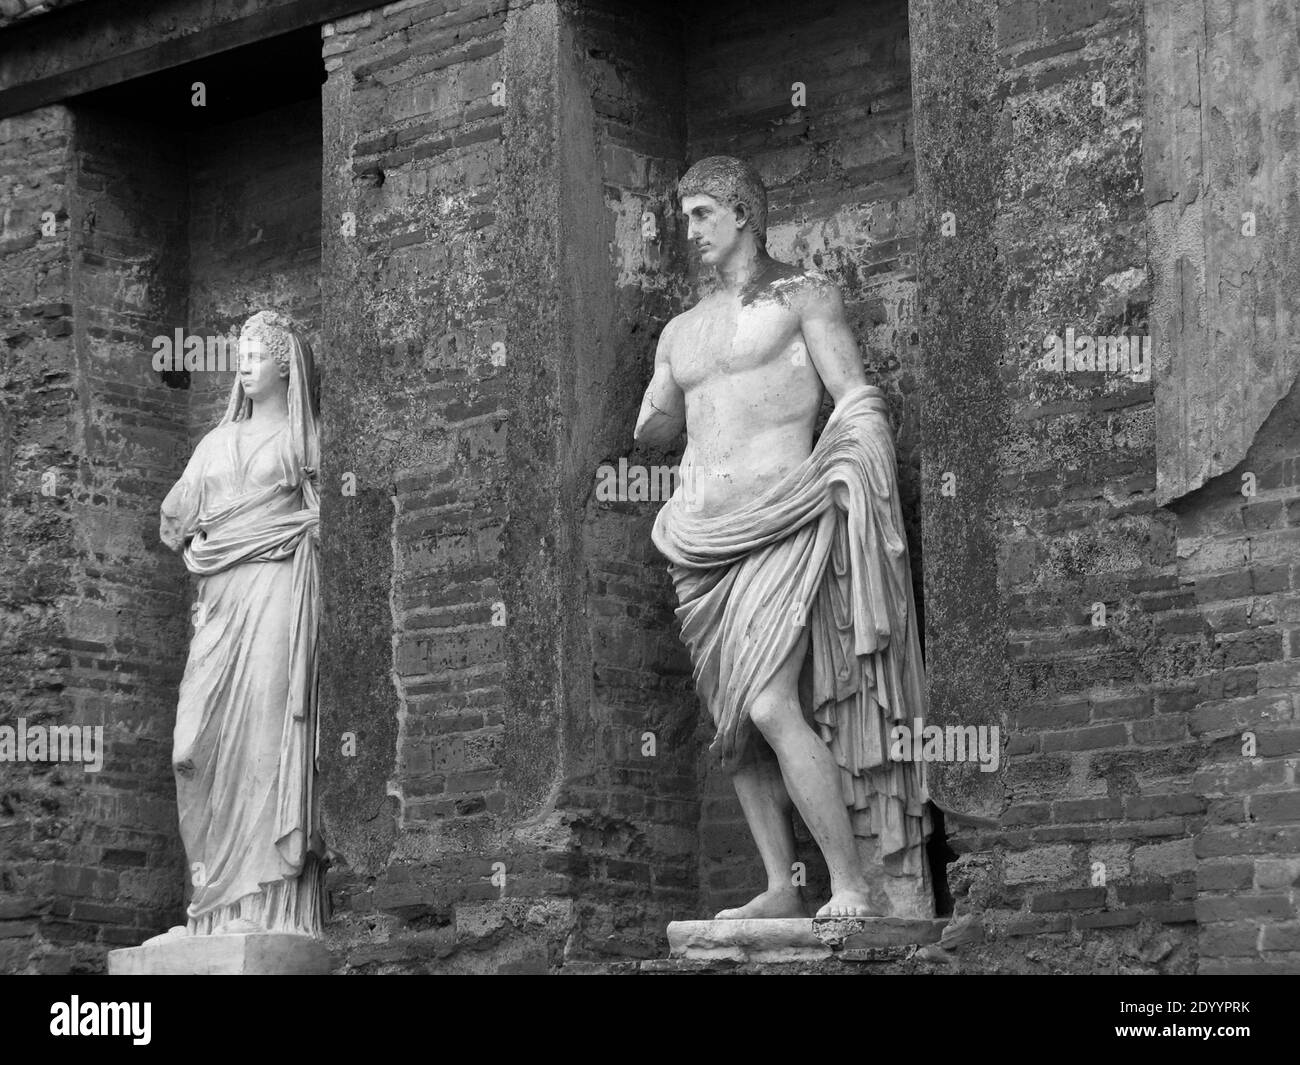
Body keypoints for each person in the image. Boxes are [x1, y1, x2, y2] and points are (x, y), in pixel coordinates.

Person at [636, 157, 931, 919]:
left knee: (769, 702)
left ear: (743, 213)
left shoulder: (803, 294)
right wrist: (655, 416)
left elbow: (855, 395)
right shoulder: (681, 329)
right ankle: (777, 884)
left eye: (703, 213)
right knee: (732, 722)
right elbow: (655, 426)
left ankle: (852, 883)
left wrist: (853, 462)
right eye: (686, 214)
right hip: (698, 541)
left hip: (783, 518)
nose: (690, 229)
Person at [154, 309, 325, 938]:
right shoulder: (213, 444)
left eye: (256, 357)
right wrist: (192, 523)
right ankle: (209, 904)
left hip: (278, 589)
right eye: (240, 358)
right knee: (192, 747)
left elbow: (325, 516)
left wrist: (293, 527)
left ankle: (266, 901)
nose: (245, 367)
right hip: (220, 600)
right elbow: (173, 521)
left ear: (285, 365)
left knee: (264, 729)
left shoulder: (303, 442)